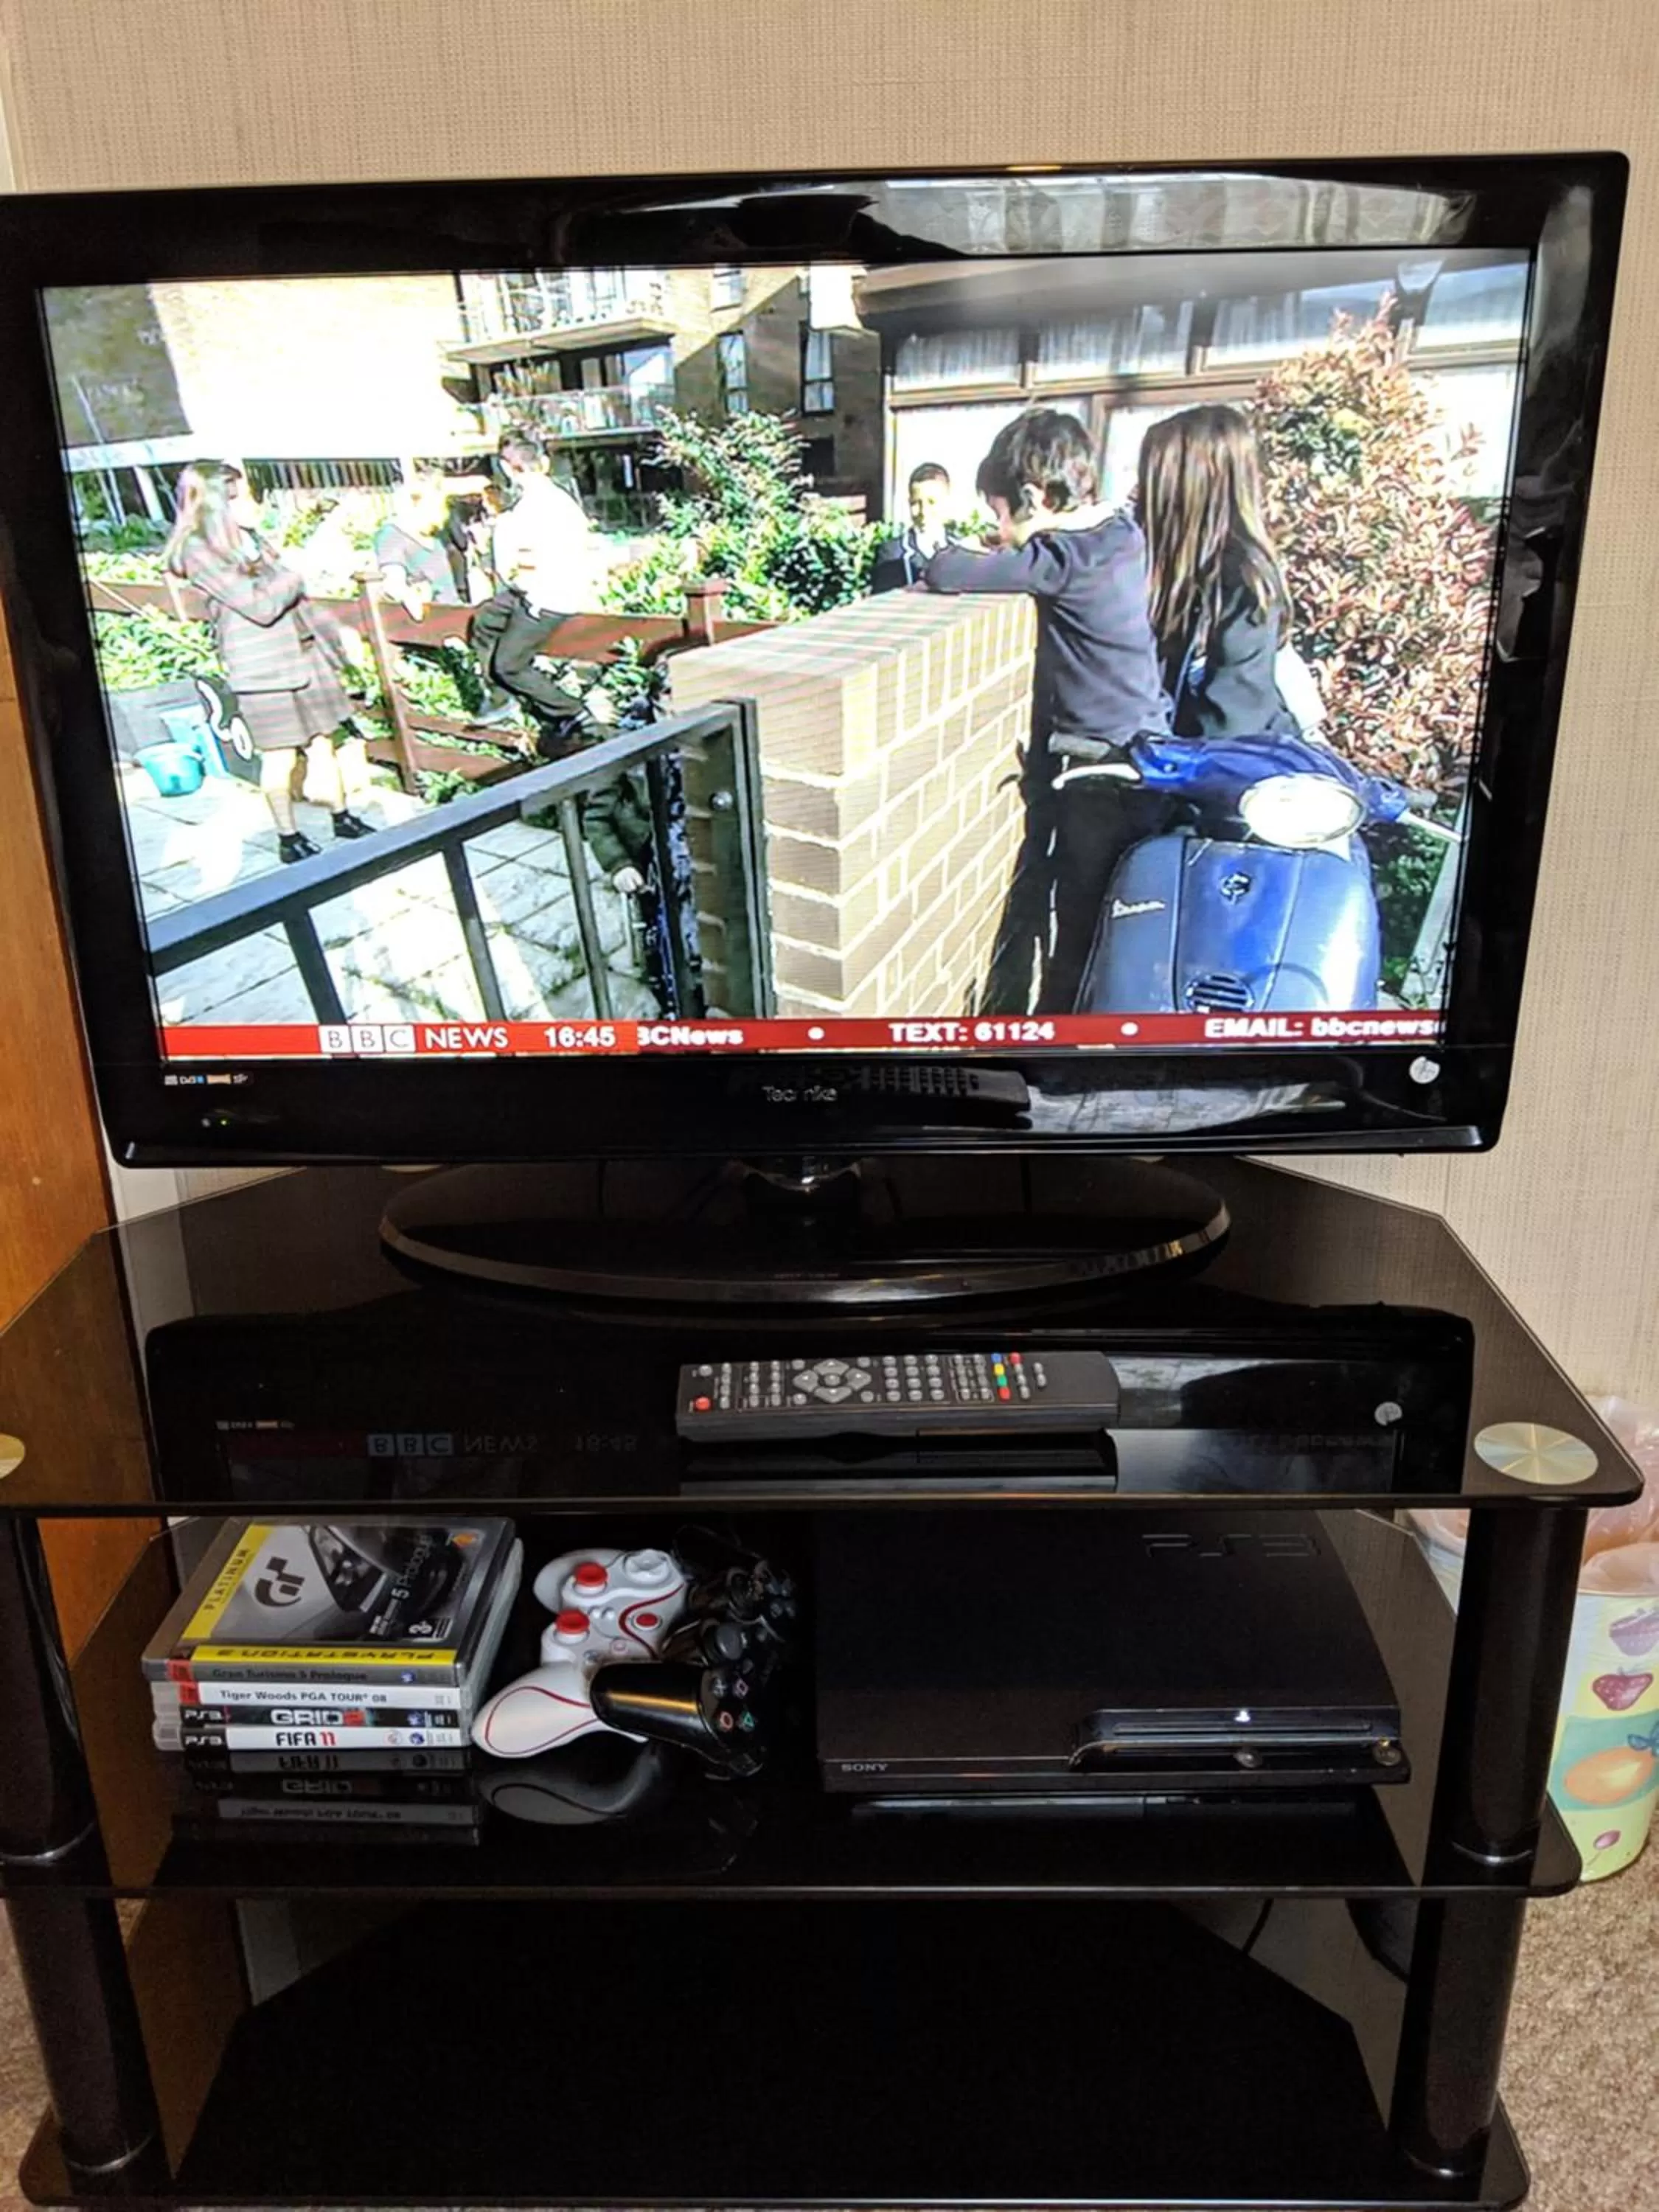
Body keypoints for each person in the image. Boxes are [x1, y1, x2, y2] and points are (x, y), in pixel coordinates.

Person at [922, 409, 1172, 1015]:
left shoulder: (1064, 560)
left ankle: (1057, 1051)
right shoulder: (1120, 537)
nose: (1000, 531)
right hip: (1144, 751)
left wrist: (979, 549)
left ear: (1033, 497)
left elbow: (944, 570)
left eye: (1000, 515)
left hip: (1103, 774)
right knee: (1117, 920)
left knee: (1080, 923)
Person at [164, 461, 372, 864]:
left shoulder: (251, 540)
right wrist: (296, 571)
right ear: (216, 504)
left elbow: (296, 602)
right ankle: (288, 837)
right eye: (239, 496)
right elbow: (258, 605)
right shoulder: (198, 551)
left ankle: (342, 817)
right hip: (264, 671)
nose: (251, 503)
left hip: (305, 656)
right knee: (280, 757)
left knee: (324, 742)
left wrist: (338, 639)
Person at [1135, 404, 1301, 739]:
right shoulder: (1173, 568)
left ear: (1184, 490)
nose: (1136, 493)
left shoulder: (1243, 582)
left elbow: (1233, 730)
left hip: (1234, 770)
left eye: (1150, 481)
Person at [491, 433, 601, 613]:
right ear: (544, 463)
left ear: (505, 468)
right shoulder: (566, 502)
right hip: (576, 599)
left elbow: (518, 576)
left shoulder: (521, 512)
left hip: (543, 604)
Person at [870, 462, 961, 592]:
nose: (924, 511)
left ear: (947, 503)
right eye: (916, 503)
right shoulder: (893, 552)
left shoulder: (961, 549)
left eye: (932, 502)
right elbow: (882, 601)